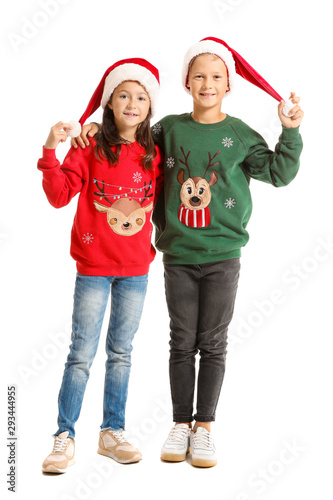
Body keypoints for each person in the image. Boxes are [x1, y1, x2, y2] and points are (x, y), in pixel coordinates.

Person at [76, 37, 304, 468]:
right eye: (199, 75)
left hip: (223, 256)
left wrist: (289, 131)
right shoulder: (170, 129)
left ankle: (205, 428)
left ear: (229, 85)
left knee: (213, 342)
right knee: (181, 341)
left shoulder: (238, 134)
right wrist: (96, 128)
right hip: (177, 255)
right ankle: (180, 423)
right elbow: (132, 144)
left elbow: (279, 172)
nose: (207, 83)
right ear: (186, 81)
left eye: (217, 76)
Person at [37, 58, 163, 473]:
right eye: (123, 95)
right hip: (93, 268)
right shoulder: (88, 146)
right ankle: (64, 436)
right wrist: (50, 151)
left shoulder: (153, 153)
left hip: (136, 271)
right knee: (81, 353)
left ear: (150, 107)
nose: (132, 103)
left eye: (141, 97)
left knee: (121, 353)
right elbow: (59, 196)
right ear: (109, 103)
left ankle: (112, 432)